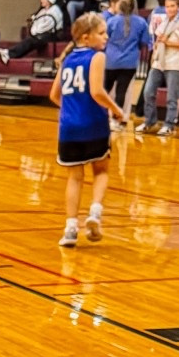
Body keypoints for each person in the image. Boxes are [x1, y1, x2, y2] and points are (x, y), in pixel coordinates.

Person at [51, 13, 122, 248]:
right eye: (101, 33)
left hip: (68, 127)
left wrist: (71, 109)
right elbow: (97, 91)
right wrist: (116, 110)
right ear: (85, 37)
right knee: (101, 170)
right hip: (93, 124)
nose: (106, 37)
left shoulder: (67, 59)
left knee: (74, 177)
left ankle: (70, 229)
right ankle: (95, 213)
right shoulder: (97, 56)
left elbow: (54, 95)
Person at [139, 0, 179, 133]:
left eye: (172, 6)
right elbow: (158, 40)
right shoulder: (164, 22)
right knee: (148, 92)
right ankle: (149, 121)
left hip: (174, 63)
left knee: (171, 96)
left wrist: (168, 42)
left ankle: (169, 124)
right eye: (168, 6)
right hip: (159, 62)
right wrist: (154, 54)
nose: (169, 9)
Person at [102, 0, 150, 129]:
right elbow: (144, 42)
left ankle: (100, 116)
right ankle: (117, 120)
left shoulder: (112, 21)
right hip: (129, 62)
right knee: (121, 92)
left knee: (104, 90)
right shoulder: (141, 22)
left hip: (111, 61)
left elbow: (105, 38)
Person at [0, 0, 65, 63]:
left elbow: (45, 27)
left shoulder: (55, 11)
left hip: (50, 36)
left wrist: (35, 32)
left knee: (31, 41)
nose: (41, 1)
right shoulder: (43, 11)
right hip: (40, 35)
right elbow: (36, 22)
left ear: (49, 0)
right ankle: (8, 54)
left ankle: (9, 54)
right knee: (30, 40)